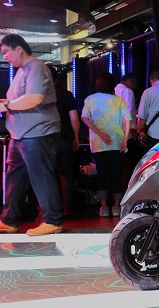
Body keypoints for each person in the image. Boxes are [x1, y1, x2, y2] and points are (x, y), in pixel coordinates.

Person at [0, 34, 64, 236]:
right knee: (15, 178)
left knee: (41, 176)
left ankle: (52, 220)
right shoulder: (21, 71)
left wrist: (5, 105)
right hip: (20, 134)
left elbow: (33, 99)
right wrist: (4, 103)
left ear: (19, 49)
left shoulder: (36, 67)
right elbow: (16, 101)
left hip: (37, 132)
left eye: (6, 52)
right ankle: (9, 220)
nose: (5, 57)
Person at [81, 73, 131, 217]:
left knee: (101, 174)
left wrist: (100, 133)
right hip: (117, 141)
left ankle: (103, 208)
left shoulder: (90, 99)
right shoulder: (118, 100)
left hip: (98, 143)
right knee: (116, 173)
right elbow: (127, 120)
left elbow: (84, 118)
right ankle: (116, 207)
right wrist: (125, 140)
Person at [53, 67, 81, 217]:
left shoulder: (40, 95)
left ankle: (49, 209)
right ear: (57, 79)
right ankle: (66, 208)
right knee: (66, 174)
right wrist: (75, 137)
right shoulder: (66, 94)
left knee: (48, 174)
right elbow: (74, 118)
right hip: (64, 139)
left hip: (46, 140)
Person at [115, 73, 140, 183]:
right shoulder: (128, 92)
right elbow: (129, 113)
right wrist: (134, 130)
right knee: (128, 164)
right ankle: (126, 188)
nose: (134, 87)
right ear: (130, 81)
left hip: (113, 132)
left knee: (116, 164)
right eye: (134, 83)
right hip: (126, 133)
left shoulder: (113, 90)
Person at [137, 70, 159, 148]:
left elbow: (142, 116)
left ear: (151, 79)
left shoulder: (148, 92)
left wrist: (138, 131)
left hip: (153, 135)